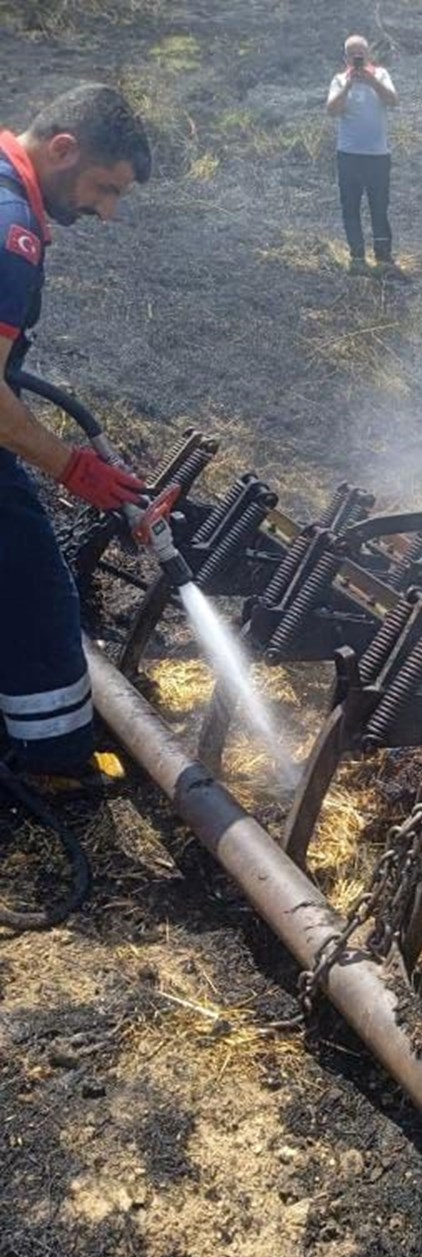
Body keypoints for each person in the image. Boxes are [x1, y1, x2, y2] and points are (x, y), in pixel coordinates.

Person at [0, 84, 150, 786]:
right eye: (104, 186)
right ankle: (56, 760)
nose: (107, 210)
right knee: (31, 579)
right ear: (63, 148)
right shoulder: (10, 230)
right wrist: (72, 469)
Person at [326, 35, 402, 277]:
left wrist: (372, 83)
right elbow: (331, 111)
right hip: (348, 155)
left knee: (379, 207)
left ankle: (383, 256)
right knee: (350, 207)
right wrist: (349, 85)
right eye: (352, 55)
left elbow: (393, 101)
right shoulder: (339, 80)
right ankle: (357, 256)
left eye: (361, 54)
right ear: (346, 58)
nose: (357, 59)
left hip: (378, 155)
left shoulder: (381, 75)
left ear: (368, 55)